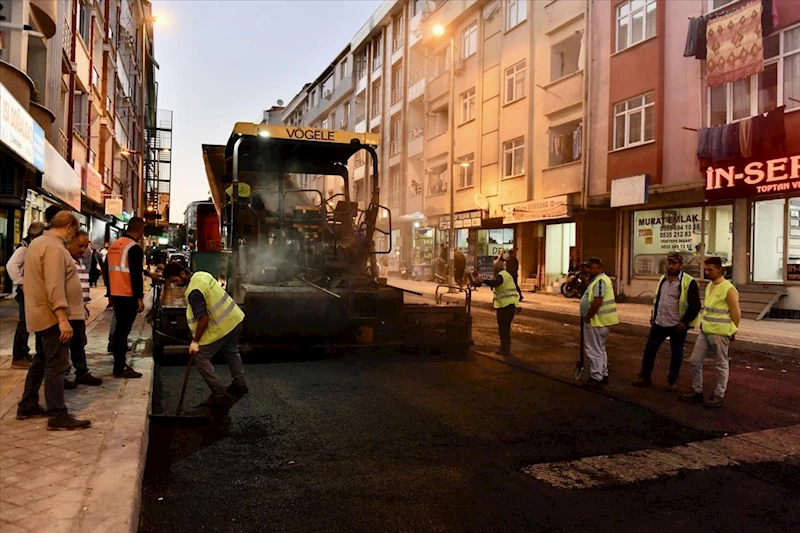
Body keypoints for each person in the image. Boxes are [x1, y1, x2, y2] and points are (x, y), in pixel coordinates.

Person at [16, 211, 91, 430]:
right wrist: (62, 318)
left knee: (42, 359)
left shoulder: (38, 243)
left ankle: (28, 403)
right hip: (50, 316)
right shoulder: (54, 248)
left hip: (40, 313)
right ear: (68, 227)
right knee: (58, 363)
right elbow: (54, 284)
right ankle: (57, 414)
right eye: (74, 231)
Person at [162, 263, 248, 407]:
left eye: (174, 280)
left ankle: (220, 394)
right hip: (234, 319)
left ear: (182, 274)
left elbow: (203, 319)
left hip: (221, 327)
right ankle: (240, 384)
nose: (174, 285)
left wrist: (195, 341)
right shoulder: (202, 275)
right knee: (232, 351)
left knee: (201, 357)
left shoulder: (194, 292)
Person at [632, 252, 701, 391]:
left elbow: (695, 306)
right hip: (660, 322)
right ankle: (644, 376)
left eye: (674, 263)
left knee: (676, 353)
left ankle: (672, 380)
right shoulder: (663, 280)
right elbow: (658, 299)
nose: (671, 266)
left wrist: (684, 321)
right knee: (650, 350)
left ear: (680, 266)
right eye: (669, 263)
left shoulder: (688, 282)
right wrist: (654, 314)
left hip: (677, 325)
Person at [681, 257, 741, 408]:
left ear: (720, 270)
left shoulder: (728, 288)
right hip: (705, 330)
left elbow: (736, 312)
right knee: (694, 361)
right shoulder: (709, 286)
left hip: (720, 333)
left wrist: (733, 329)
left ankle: (719, 395)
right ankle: (697, 391)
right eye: (705, 269)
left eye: (710, 269)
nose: (706, 272)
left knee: (721, 364)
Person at [106, 217, 148, 379]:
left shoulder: (115, 245)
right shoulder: (134, 248)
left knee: (119, 331)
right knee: (123, 333)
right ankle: (120, 367)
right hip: (128, 295)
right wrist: (139, 298)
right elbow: (135, 275)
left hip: (116, 294)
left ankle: (119, 364)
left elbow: (108, 271)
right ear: (140, 230)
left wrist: (110, 294)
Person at [63, 230, 103, 389]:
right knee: (64, 346)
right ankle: (63, 374)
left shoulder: (78, 261)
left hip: (78, 310)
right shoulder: (65, 261)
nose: (83, 250)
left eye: (85, 246)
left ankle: (81, 372)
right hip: (67, 312)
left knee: (79, 342)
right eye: (80, 246)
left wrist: (84, 306)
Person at [6, 222, 46, 369]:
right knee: (24, 323)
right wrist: (21, 282)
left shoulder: (30, 247)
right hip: (25, 292)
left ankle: (24, 352)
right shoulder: (24, 248)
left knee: (27, 322)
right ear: (33, 236)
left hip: (29, 291)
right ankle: (18, 356)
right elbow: (11, 266)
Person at [580, 257, 619, 389]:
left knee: (594, 350)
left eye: (591, 267)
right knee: (600, 349)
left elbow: (597, 301)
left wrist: (588, 317)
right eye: (588, 267)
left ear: (599, 268)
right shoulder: (599, 280)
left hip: (597, 321)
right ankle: (603, 374)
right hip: (601, 321)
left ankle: (595, 377)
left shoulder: (600, 281)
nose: (588, 270)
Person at [473, 259, 520, 356]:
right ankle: (505, 347)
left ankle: (504, 349)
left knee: (503, 328)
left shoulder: (501, 275)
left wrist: (484, 280)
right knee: (505, 328)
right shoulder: (506, 274)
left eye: (494, 268)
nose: (493, 270)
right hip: (510, 305)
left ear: (497, 268)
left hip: (505, 306)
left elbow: (496, 283)